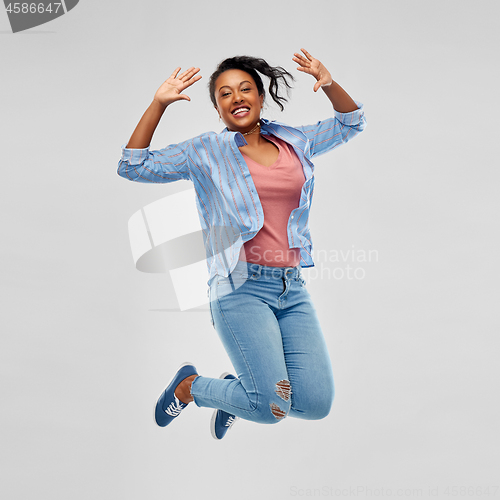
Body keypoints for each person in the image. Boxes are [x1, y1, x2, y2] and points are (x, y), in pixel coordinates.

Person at [117, 48, 366, 440]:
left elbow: (351, 122)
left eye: (245, 89)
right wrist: (158, 104)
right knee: (270, 409)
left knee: (315, 404)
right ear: (217, 109)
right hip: (239, 288)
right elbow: (134, 165)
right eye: (225, 94)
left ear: (261, 97)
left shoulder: (296, 142)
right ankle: (189, 387)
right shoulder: (205, 152)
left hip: (292, 287)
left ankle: (237, 390)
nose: (237, 98)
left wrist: (330, 83)